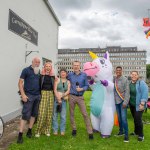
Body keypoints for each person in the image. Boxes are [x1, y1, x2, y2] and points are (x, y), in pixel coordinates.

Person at [17, 57, 41, 144]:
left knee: (34, 114)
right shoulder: (26, 70)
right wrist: (23, 95)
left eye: (39, 62)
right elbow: (20, 83)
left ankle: (29, 130)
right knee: (25, 115)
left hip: (37, 96)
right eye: (36, 62)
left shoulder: (39, 72)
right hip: (28, 96)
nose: (37, 63)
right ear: (32, 62)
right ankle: (20, 134)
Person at [68, 61, 93, 139]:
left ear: (80, 66)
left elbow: (87, 85)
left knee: (85, 114)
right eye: (74, 65)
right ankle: (74, 129)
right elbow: (64, 81)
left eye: (77, 65)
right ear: (72, 66)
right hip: (71, 96)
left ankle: (90, 132)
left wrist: (81, 89)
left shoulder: (84, 75)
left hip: (80, 97)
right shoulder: (69, 75)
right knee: (71, 114)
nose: (76, 67)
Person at [35, 62, 55, 137]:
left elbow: (55, 86)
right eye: (46, 66)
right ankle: (38, 131)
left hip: (51, 94)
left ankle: (47, 130)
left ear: (51, 68)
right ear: (44, 67)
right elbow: (38, 86)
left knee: (49, 113)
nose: (48, 67)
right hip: (43, 94)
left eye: (49, 66)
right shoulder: (41, 76)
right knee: (42, 113)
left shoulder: (53, 76)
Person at [129, 71, 148, 142]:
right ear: (130, 75)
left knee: (138, 120)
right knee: (135, 119)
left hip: (139, 105)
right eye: (132, 74)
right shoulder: (129, 84)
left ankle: (141, 135)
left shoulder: (141, 83)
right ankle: (136, 132)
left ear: (137, 76)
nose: (134, 76)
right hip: (132, 105)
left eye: (135, 75)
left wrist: (142, 104)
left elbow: (145, 92)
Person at [52, 68, 70, 135]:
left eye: (64, 72)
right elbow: (55, 90)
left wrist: (62, 95)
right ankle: (55, 129)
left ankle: (62, 130)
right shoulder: (57, 80)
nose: (63, 73)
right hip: (56, 100)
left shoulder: (68, 82)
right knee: (55, 115)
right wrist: (58, 98)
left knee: (63, 116)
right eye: (62, 72)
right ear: (60, 73)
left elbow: (68, 90)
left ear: (66, 74)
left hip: (64, 100)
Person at [114, 66, 130, 142]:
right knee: (119, 118)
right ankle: (121, 131)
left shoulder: (125, 79)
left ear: (121, 71)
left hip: (123, 102)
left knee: (124, 119)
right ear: (115, 71)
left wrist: (125, 102)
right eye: (117, 70)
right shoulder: (114, 79)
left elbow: (127, 92)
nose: (118, 71)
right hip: (116, 102)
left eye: (119, 70)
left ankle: (126, 135)